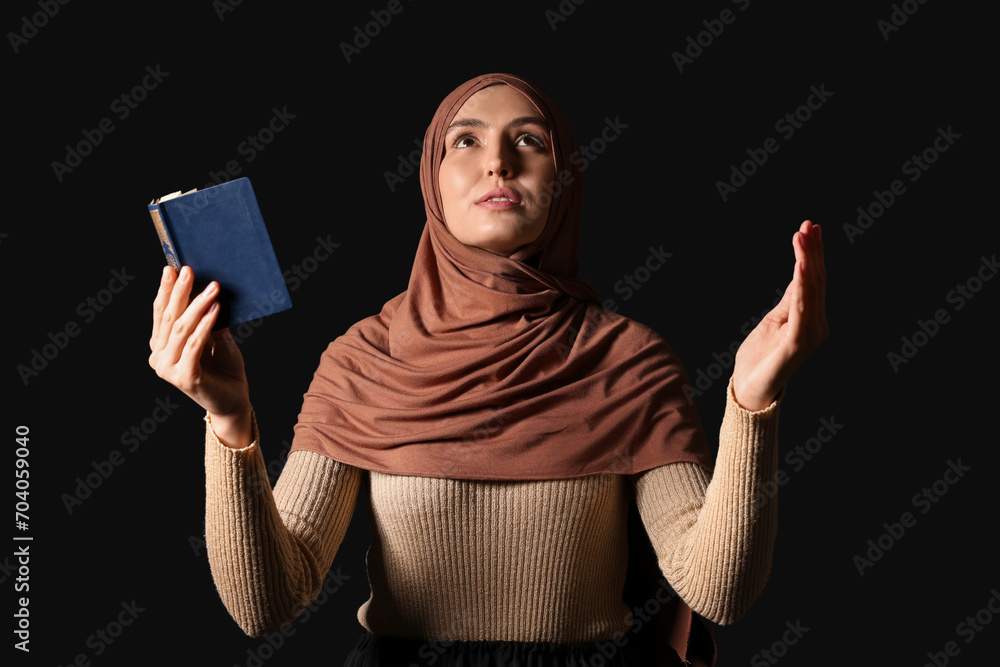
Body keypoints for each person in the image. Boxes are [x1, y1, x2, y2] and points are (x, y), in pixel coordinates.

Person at [148, 73, 828, 666]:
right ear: (431, 180)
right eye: (465, 141)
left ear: (564, 178)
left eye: (530, 141)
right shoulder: (363, 359)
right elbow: (266, 604)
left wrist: (751, 400)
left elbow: (719, 591)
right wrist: (229, 420)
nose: (498, 162)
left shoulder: (631, 360)